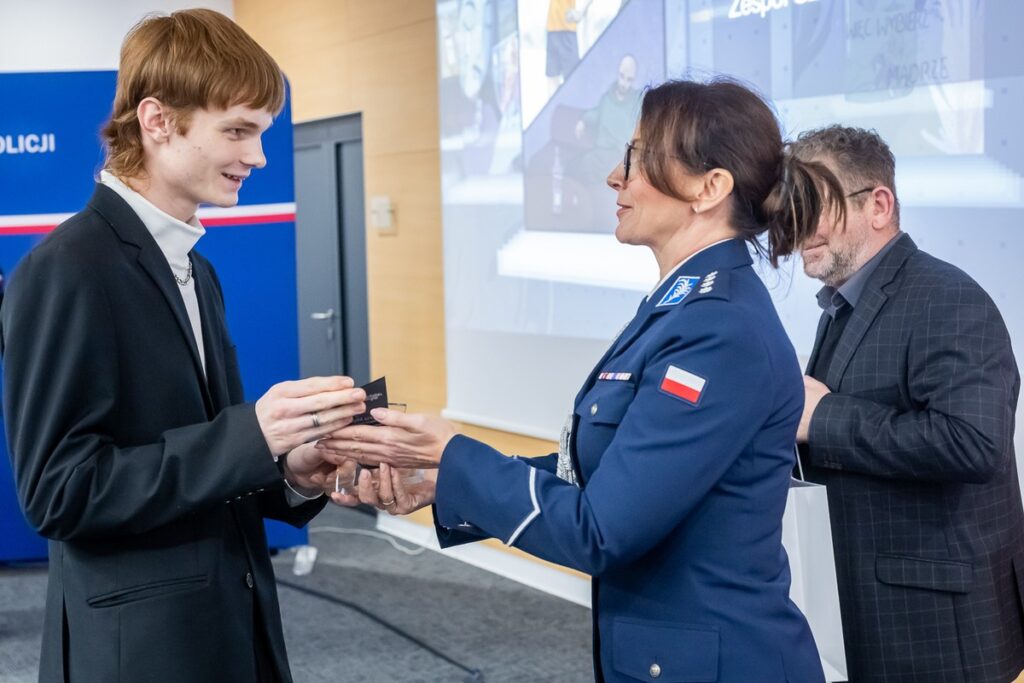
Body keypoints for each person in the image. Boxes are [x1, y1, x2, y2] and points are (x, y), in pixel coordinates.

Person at [322, 78, 846, 682]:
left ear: (710, 187)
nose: (614, 178)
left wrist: (455, 453)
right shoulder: (684, 307)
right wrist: (443, 482)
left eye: (638, 158)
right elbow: (607, 475)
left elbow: (603, 529)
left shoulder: (718, 330)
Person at [0, 10, 366, 682]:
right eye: (237, 130)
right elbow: (58, 491)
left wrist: (290, 468)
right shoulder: (67, 270)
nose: (258, 155)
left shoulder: (198, 271)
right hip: (139, 653)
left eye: (260, 133)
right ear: (157, 120)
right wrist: (251, 435)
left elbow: (207, 462)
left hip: (226, 629)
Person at [791, 125, 1024, 682]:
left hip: (938, 627)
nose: (797, 228)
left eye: (814, 205)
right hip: (874, 613)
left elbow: (972, 444)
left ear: (879, 204)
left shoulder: (948, 298)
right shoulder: (843, 305)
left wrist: (822, 417)